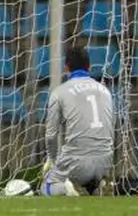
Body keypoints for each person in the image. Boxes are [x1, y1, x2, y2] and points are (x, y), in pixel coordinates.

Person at [41, 45, 115, 197]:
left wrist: (51, 158)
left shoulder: (59, 92)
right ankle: (99, 185)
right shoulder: (105, 91)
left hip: (76, 162)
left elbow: (51, 135)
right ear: (89, 67)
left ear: (66, 68)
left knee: (46, 188)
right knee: (88, 181)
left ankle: (67, 189)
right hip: (105, 161)